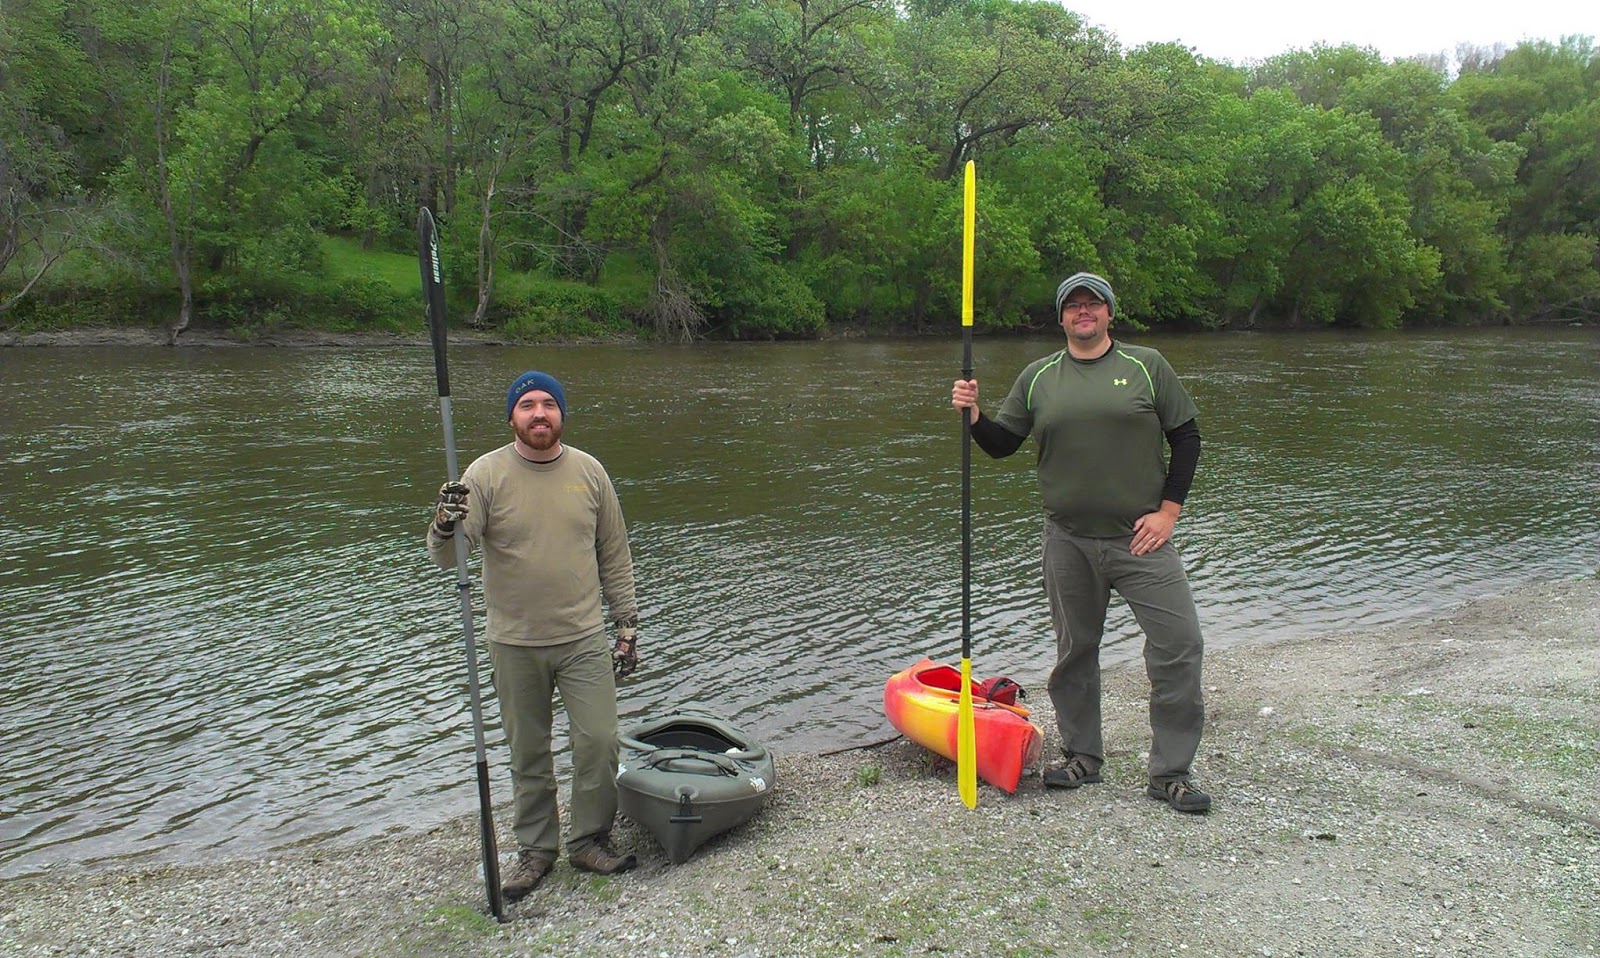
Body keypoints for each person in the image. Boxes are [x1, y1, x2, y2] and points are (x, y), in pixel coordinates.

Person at [950, 272, 1211, 814]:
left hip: (1141, 540)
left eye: (1094, 303)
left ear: (1110, 313)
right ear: (1062, 317)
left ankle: (1170, 774)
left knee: (1179, 646)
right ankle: (1082, 757)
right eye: (1074, 305)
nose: (1083, 311)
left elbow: (1186, 436)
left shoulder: (1146, 365)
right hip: (1066, 540)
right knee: (1074, 655)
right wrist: (974, 417)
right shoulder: (1038, 376)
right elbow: (1003, 444)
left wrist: (1169, 511)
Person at [426, 370, 642, 899]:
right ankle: (537, 850)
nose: (539, 413)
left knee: (599, 741)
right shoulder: (484, 474)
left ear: (562, 414)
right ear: (512, 417)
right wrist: (445, 521)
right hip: (513, 641)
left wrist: (627, 627)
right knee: (528, 753)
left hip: (583, 637)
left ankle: (589, 840)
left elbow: (614, 554)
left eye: (548, 403)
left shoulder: (589, 473)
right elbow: (450, 557)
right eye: (527, 405)